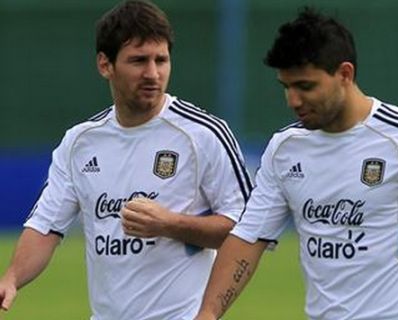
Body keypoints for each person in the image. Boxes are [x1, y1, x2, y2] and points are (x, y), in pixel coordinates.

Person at [194, 7, 398, 320]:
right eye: (286, 87)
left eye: (305, 86)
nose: (293, 100)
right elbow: (249, 237)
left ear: (345, 74)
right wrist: (207, 313)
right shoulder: (285, 148)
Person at [0, 1, 252, 319]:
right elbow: (46, 226)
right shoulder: (80, 142)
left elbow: (247, 231)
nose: (152, 73)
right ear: (105, 65)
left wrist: (169, 224)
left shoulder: (203, 134)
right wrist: (11, 278)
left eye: (161, 60)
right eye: (138, 61)